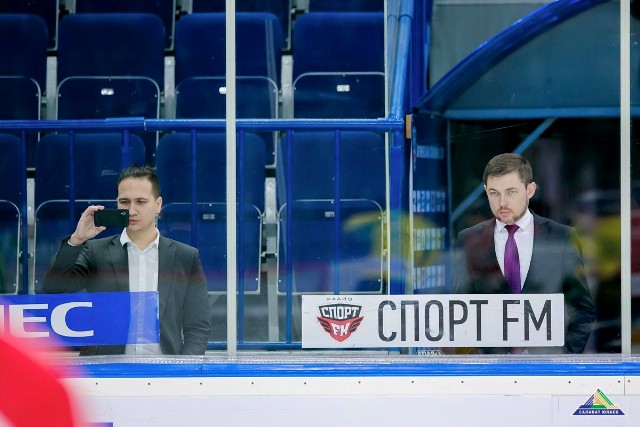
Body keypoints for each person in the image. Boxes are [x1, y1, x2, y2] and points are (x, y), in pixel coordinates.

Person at [43, 165, 211, 356]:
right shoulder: (95, 251)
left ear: (158, 205)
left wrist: (185, 367)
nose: (131, 210)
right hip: (107, 367)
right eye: (124, 202)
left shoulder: (185, 257)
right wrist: (77, 239)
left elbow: (198, 326)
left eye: (141, 202)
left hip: (164, 368)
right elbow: (54, 286)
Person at [451, 153, 596, 354]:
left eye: (511, 192)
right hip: (490, 365)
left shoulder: (561, 237)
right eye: (494, 193)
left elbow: (582, 309)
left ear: (530, 190)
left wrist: (562, 359)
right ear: (486, 191)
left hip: (547, 361)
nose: (502, 202)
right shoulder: (469, 239)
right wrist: (478, 361)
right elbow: (460, 309)